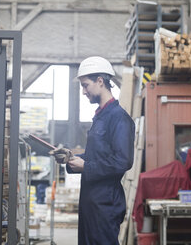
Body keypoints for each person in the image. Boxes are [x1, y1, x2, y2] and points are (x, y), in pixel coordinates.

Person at [51, 56, 135, 245]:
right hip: (91, 201)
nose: (83, 91)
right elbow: (94, 157)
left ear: (100, 81)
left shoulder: (119, 118)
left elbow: (123, 161)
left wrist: (86, 166)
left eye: (85, 85)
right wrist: (71, 159)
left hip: (105, 204)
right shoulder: (100, 116)